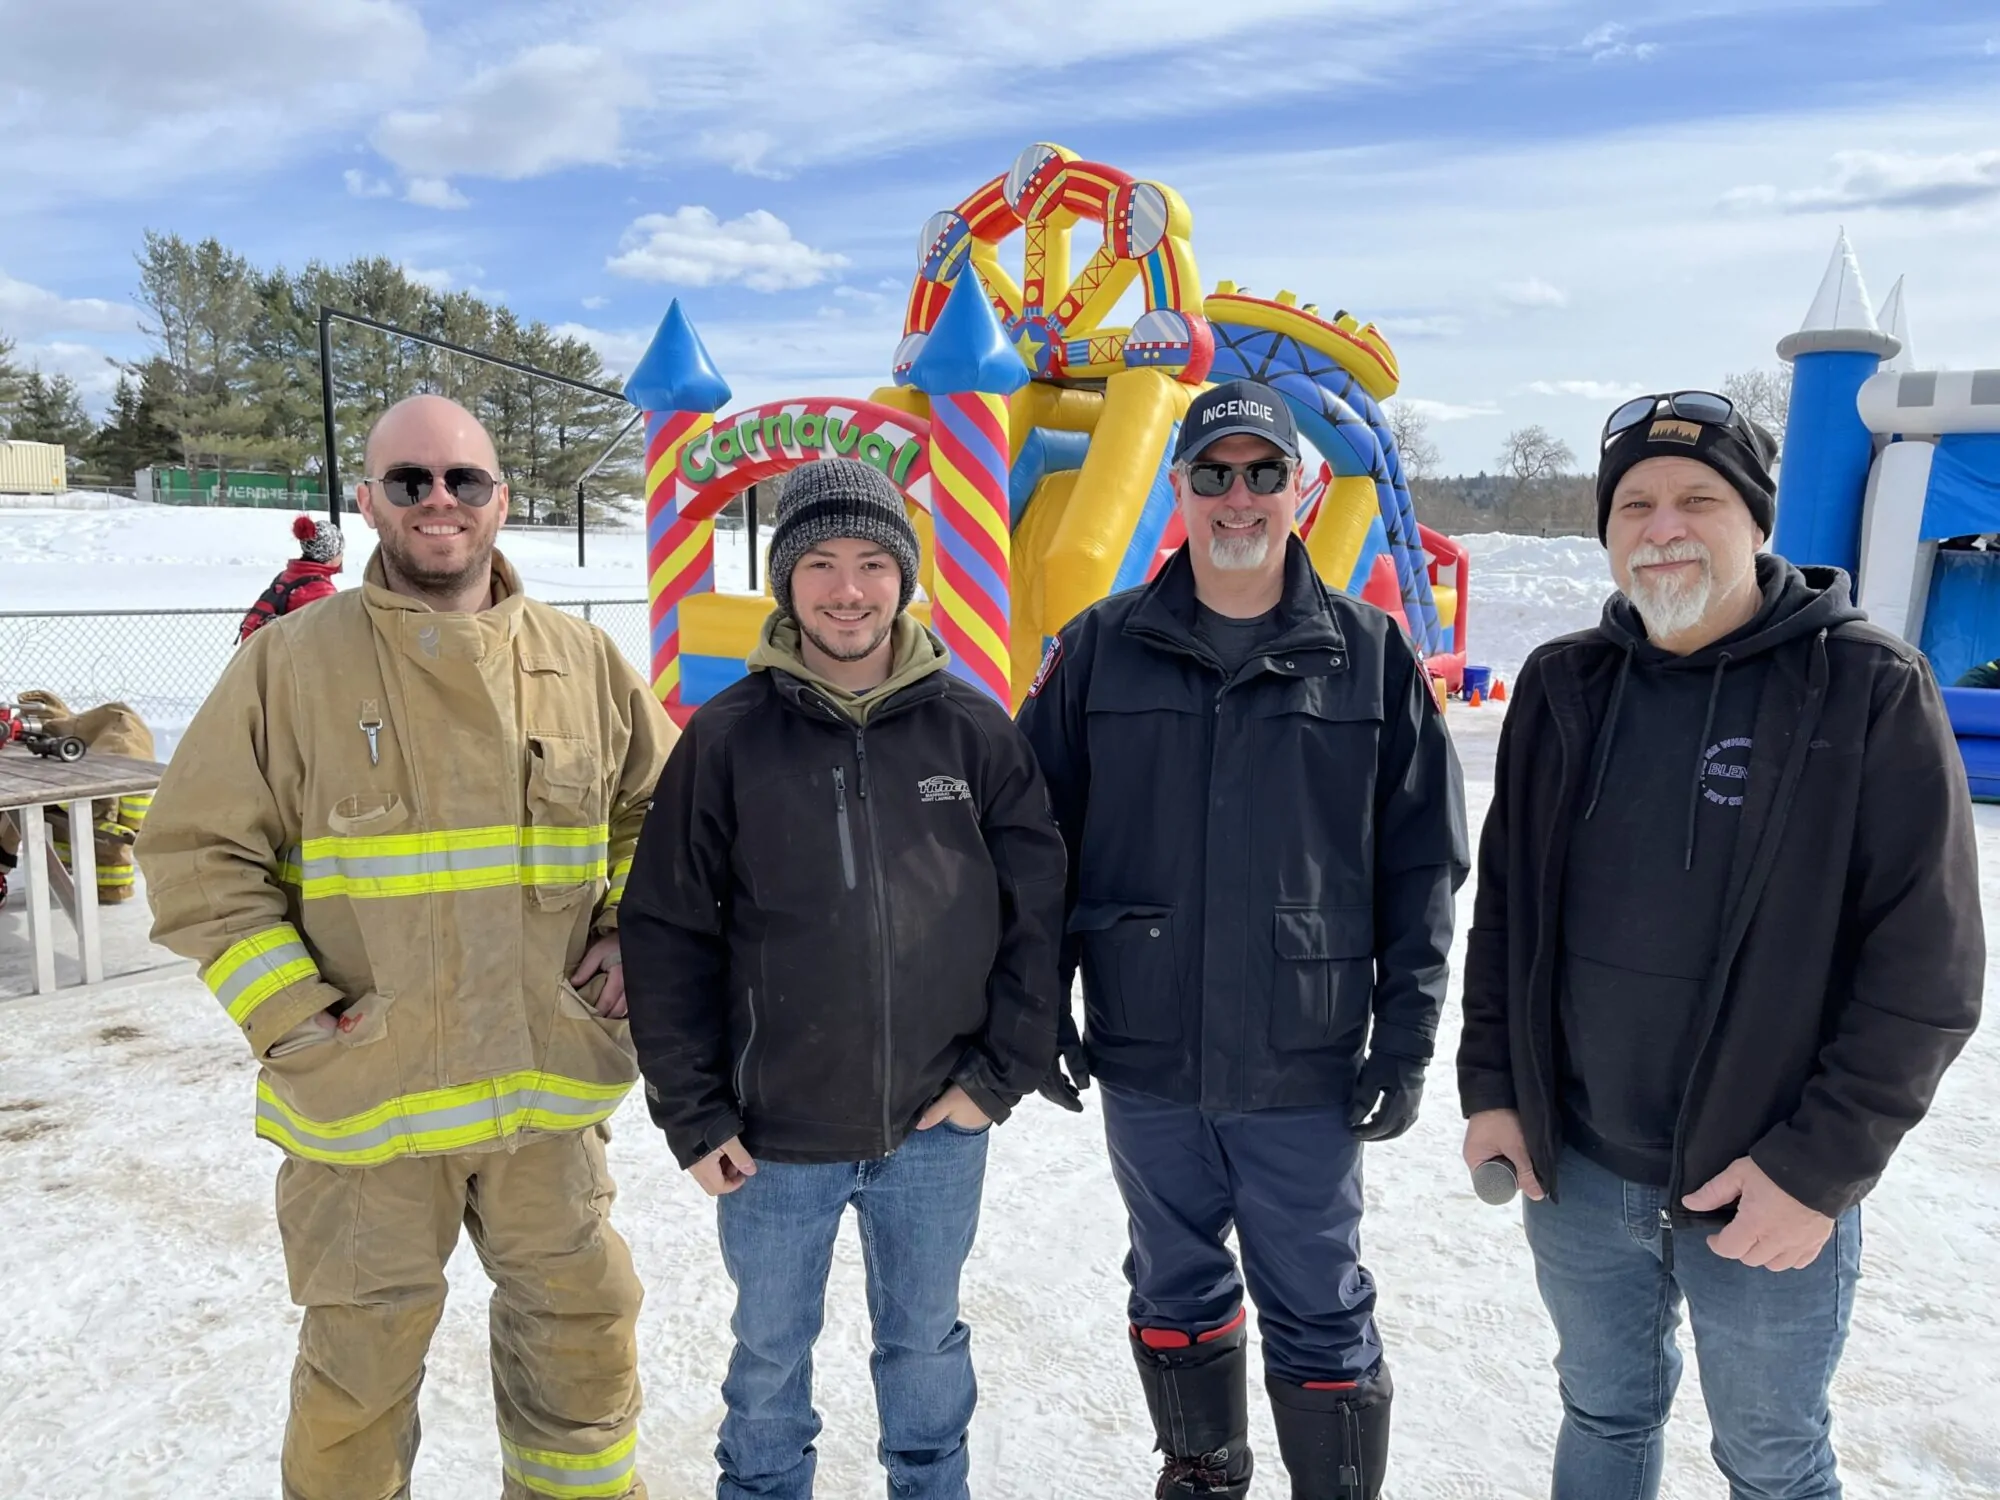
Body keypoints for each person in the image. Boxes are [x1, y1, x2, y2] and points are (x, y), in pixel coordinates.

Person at [136, 395, 673, 1500]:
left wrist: (626, 930)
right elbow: (195, 854)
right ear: (367, 499)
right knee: (356, 1384)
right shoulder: (288, 666)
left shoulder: (581, 661)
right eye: (409, 481)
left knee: (583, 1342)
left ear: (501, 499)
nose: (439, 502)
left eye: (463, 480)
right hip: (363, 1110)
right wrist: (292, 1012)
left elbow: (663, 819)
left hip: (546, 1102)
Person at [1458, 391, 1984, 1500]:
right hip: (1579, 1172)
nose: (1662, 527)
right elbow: (1502, 913)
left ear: (1754, 522)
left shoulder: (1864, 688)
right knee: (1600, 1418)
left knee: (1771, 1460)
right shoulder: (1561, 688)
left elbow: (1924, 977)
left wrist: (1814, 1171)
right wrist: (1493, 1090)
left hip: (1763, 1179)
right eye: (1634, 505)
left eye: (1697, 500)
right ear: (1604, 533)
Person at [1016, 379, 1467, 1499]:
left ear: (1299, 491)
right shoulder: (1096, 652)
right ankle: (1200, 1474)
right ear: (1176, 488)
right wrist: (1033, 1006)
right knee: (1170, 1283)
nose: (1236, 497)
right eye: (1211, 474)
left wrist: (1405, 1041)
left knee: (1316, 1297)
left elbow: (1422, 866)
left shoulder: (1369, 659)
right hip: (1148, 1050)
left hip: (1301, 1057)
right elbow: (1030, 846)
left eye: (1261, 473)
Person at [620, 458, 1067, 1500]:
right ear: (785, 582)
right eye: (819, 562)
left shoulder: (971, 728)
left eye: (872, 561)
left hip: (935, 1127)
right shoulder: (726, 739)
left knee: (924, 1348)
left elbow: (1036, 913)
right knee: (769, 1362)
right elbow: (666, 931)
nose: (847, 588)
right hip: (772, 1137)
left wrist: (994, 1077)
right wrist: (693, 1113)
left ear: (904, 579)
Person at [0, 690, 156, 908]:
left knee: (20, 803)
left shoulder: (115, 740)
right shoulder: (116, 735)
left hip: (106, 829)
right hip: (111, 842)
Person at [240, 513, 345, 642]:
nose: (341, 556)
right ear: (330, 555)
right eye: (340, 552)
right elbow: (332, 638)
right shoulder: (321, 590)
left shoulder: (287, 576)